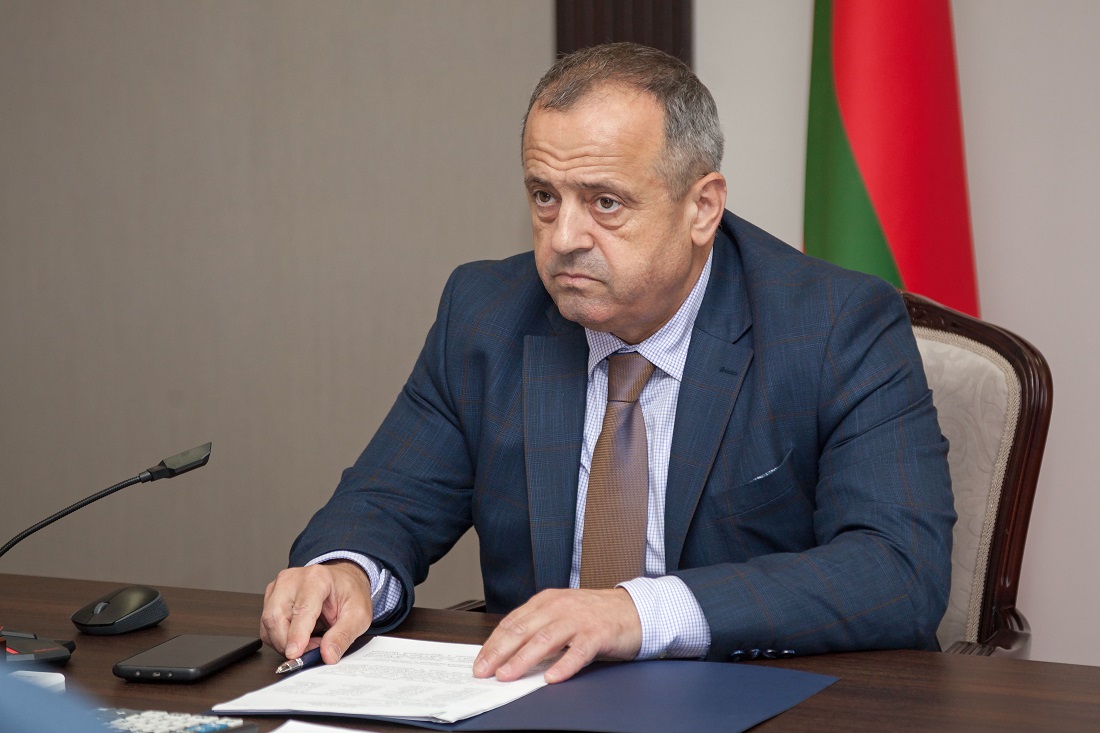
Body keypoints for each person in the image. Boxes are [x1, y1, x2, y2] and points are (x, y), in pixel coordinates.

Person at [260, 42, 955, 685]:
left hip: (754, 698)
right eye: (545, 196)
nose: (564, 237)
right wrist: (347, 571)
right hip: (539, 699)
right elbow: (387, 502)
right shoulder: (486, 315)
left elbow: (897, 570)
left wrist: (637, 612)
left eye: (605, 202)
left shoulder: (834, 325)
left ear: (703, 207)